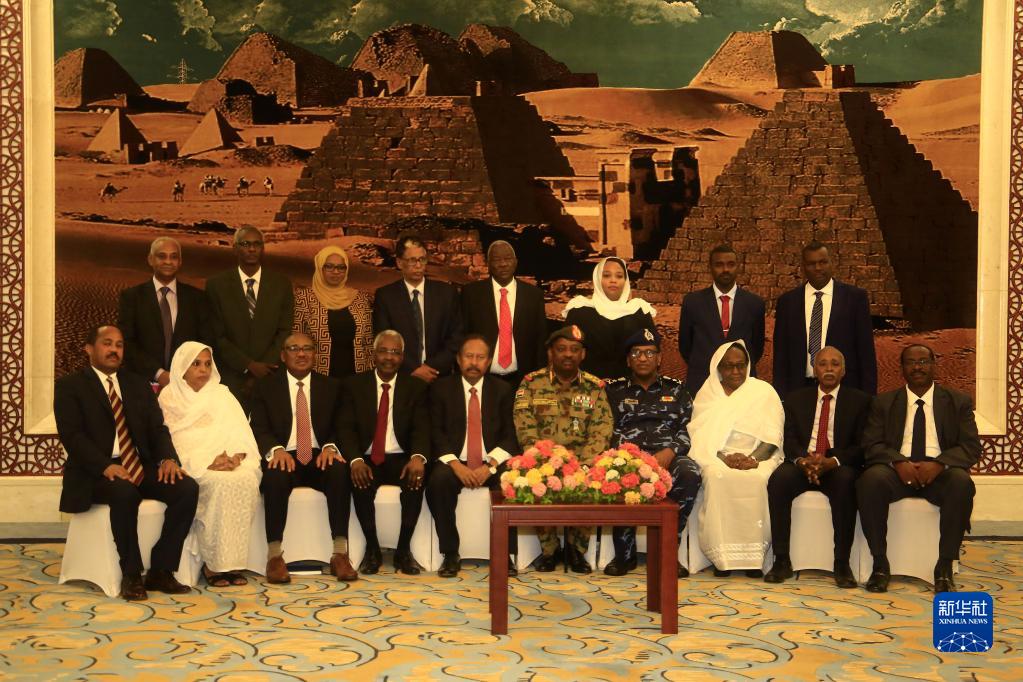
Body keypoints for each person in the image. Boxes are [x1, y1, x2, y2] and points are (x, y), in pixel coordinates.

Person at [54, 325, 198, 601]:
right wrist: (104, 466)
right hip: (94, 472)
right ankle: (131, 574)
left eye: (119, 345)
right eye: (107, 343)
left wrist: (168, 458)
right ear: (89, 349)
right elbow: (73, 437)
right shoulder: (70, 386)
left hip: (137, 465)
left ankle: (162, 569)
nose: (114, 350)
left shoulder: (137, 384)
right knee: (124, 492)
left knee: (186, 488)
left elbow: (157, 428)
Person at [857, 344, 980, 593]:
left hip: (940, 473)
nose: (917, 367)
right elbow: (870, 445)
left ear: (934, 365)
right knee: (870, 480)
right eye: (911, 362)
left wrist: (940, 463)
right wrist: (898, 462)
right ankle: (880, 564)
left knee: (961, 483)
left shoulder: (958, 402)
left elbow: (971, 447)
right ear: (902, 368)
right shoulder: (884, 402)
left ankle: (944, 567)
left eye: (923, 361)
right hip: (897, 472)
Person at [250, 333, 356, 584]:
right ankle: (274, 556)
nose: (301, 353)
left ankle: (340, 553)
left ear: (315, 354)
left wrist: (331, 447)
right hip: (285, 454)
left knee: (339, 470)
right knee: (274, 475)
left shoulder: (332, 386)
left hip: (319, 454)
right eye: (294, 348)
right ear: (283, 355)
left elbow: (343, 425)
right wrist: (275, 449)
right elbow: (259, 427)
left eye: (307, 348)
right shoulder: (264, 387)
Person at [764, 346, 871, 588]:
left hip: (837, 465)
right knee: (778, 480)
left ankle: (841, 563)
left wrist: (832, 461)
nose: (829, 369)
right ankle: (781, 560)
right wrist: (802, 461)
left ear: (843, 371)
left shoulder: (860, 401)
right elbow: (788, 438)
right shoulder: (795, 399)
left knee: (846, 482)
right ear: (814, 370)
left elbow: (863, 445)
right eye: (823, 364)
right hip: (803, 462)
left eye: (835, 364)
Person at [158, 342, 261, 587]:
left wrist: (236, 457)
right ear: (182, 366)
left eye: (207, 363)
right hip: (195, 464)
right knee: (217, 483)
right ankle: (213, 565)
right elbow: (173, 439)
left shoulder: (222, 394)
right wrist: (207, 461)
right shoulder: (169, 396)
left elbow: (241, 433)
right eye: (196, 364)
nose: (203, 369)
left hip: (227, 461)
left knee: (245, 478)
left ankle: (233, 563)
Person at [513, 325, 613, 573]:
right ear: (550, 353)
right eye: (561, 349)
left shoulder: (594, 387)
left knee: (592, 480)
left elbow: (602, 429)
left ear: (583, 354)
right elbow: (524, 426)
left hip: (582, 460)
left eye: (574, 349)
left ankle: (575, 550)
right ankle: (549, 550)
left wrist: (585, 464)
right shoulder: (531, 383)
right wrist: (543, 460)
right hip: (544, 458)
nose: (568, 354)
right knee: (537, 479)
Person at [604, 328, 701, 578]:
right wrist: (630, 456)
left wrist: (671, 450)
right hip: (627, 456)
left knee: (690, 473)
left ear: (659, 358)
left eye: (649, 353)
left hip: (668, 456)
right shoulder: (613, 391)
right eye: (636, 353)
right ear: (628, 360)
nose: (643, 358)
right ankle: (624, 555)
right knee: (615, 472)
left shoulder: (677, 390)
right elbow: (605, 428)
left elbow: (690, 427)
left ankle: (667, 551)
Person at [687, 340, 784, 576]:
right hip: (716, 456)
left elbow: (773, 436)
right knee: (717, 477)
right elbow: (700, 436)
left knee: (757, 480)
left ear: (748, 366)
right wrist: (726, 458)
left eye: (741, 366)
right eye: (729, 366)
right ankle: (722, 559)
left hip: (758, 456)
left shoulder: (763, 391)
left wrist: (752, 459)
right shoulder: (708, 394)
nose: (736, 372)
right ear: (719, 368)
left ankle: (753, 559)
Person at [337, 330, 431, 575]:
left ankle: (403, 550)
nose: (389, 357)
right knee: (359, 482)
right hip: (367, 457)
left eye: (395, 352)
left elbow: (422, 427)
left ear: (402, 357)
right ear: (373, 354)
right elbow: (345, 427)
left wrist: (418, 457)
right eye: (384, 351)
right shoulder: (354, 385)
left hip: (401, 457)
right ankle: (372, 549)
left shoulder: (416, 387)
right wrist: (355, 460)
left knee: (416, 479)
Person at [425, 334, 519, 578]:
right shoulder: (441, 389)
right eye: (469, 356)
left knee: (510, 482)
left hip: (492, 462)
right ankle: (450, 553)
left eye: (480, 357)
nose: (474, 362)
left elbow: (511, 435)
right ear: (458, 359)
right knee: (438, 481)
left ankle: (505, 553)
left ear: (488, 362)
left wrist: (490, 466)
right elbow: (435, 432)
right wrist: (457, 466)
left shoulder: (503, 390)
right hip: (455, 461)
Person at [773, 241, 877, 398]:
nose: (818, 268)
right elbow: (781, 355)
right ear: (803, 267)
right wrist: (780, 396)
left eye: (823, 262)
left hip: (845, 389)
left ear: (831, 263)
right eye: (811, 264)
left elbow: (866, 352)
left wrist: (869, 398)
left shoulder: (855, 299)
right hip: (799, 390)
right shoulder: (787, 302)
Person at [205, 226, 294, 405]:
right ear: (235, 248)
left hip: (270, 374)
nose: (252, 249)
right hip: (230, 376)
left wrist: (264, 367)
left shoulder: (281, 284)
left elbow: (284, 330)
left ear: (263, 248)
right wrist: (248, 365)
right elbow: (217, 335)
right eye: (245, 244)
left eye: (257, 244)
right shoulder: (216, 285)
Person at [118, 237, 211, 389]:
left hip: (186, 385)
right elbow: (126, 342)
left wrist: (185, 374)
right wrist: (159, 374)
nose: (168, 262)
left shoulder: (197, 298)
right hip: (141, 384)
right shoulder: (131, 297)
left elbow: (204, 342)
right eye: (162, 256)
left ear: (180, 262)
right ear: (150, 259)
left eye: (173, 257)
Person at [373, 234, 462, 382]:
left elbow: (456, 337)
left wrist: (432, 367)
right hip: (403, 377)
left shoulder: (446, 293)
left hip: (439, 377)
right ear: (399, 263)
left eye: (422, 259)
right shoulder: (386, 296)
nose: (418, 265)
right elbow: (383, 338)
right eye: (412, 260)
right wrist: (413, 369)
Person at [678, 244, 765, 394]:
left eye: (730, 264)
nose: (725, 269)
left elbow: (757, 347)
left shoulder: (754, 303)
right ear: (710, 268)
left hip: (742, 384)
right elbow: (685, 346)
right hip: (702, 382)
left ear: (738, 267)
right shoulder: (692, 302)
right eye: (719, 265)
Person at [460, 240, 548, 388]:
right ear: (488, 264)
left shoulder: (533, 295)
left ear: (516, 262)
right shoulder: (472, 294)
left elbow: (541, 339)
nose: (503, 264)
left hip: (523, 380)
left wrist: (539, 379)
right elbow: (462, 335)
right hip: (482, 379)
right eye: (497, 260)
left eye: (507, 259)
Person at [563, 257, 656, 380]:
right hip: (588, 386)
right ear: (597, 279)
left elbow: (652, 355)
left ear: (625, 281)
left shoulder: (639, 311)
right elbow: (567, 356)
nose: (613, 280)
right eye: (606, 275)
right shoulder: (579, 311)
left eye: (619, 276)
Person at [293, 245, 374, 379]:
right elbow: (296, 339)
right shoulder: (304, 298)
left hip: (357, 375)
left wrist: (370, 376)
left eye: (341, 267)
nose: (336, 271)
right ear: (320, 267)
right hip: (318, 374)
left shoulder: (360, 298)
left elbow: (368, 342)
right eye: (329, 266)